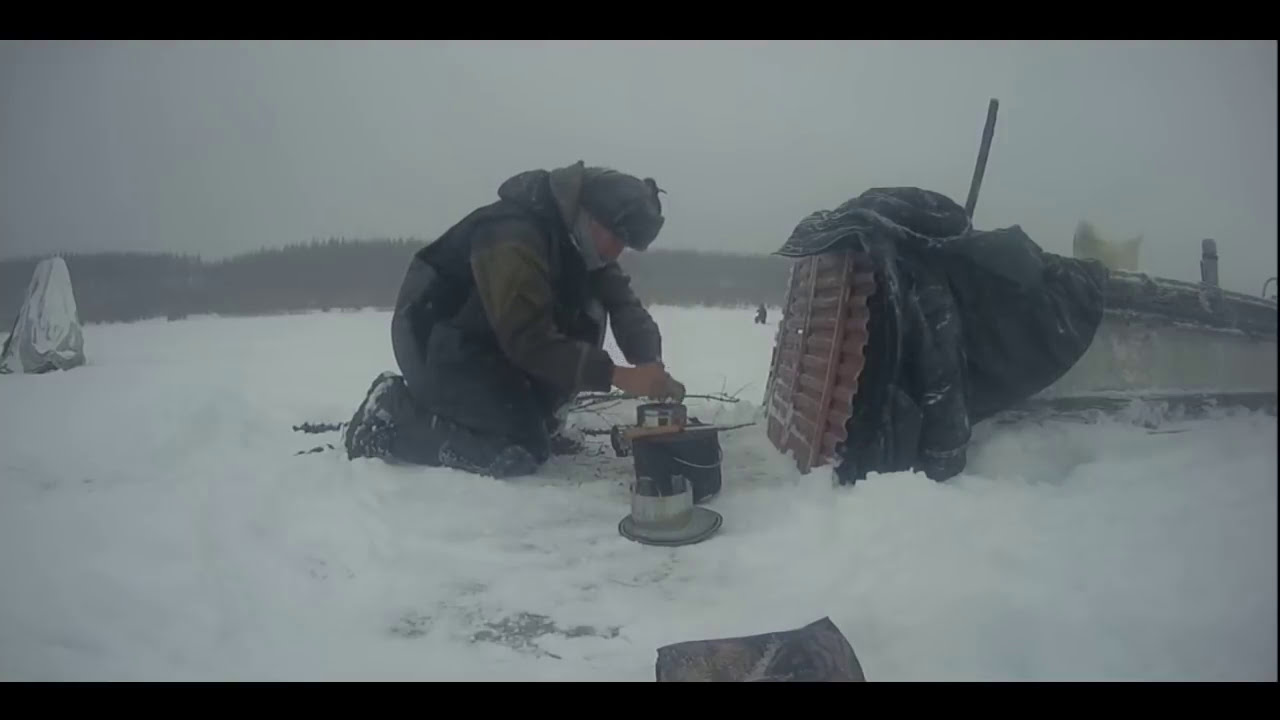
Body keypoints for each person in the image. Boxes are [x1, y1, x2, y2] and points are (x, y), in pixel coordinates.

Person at [343, 161, 685, 478]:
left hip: (489, 343)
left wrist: (650, 363)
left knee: (587, 312)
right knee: (518, 449)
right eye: (615, 237)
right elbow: (528, 339)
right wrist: (617, 375)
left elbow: (623, 305)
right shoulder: (513, 234)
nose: (616, 251)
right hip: (435, 340)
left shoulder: (582, 244)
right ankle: (391, 414)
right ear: (589, 216)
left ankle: (525, 415)